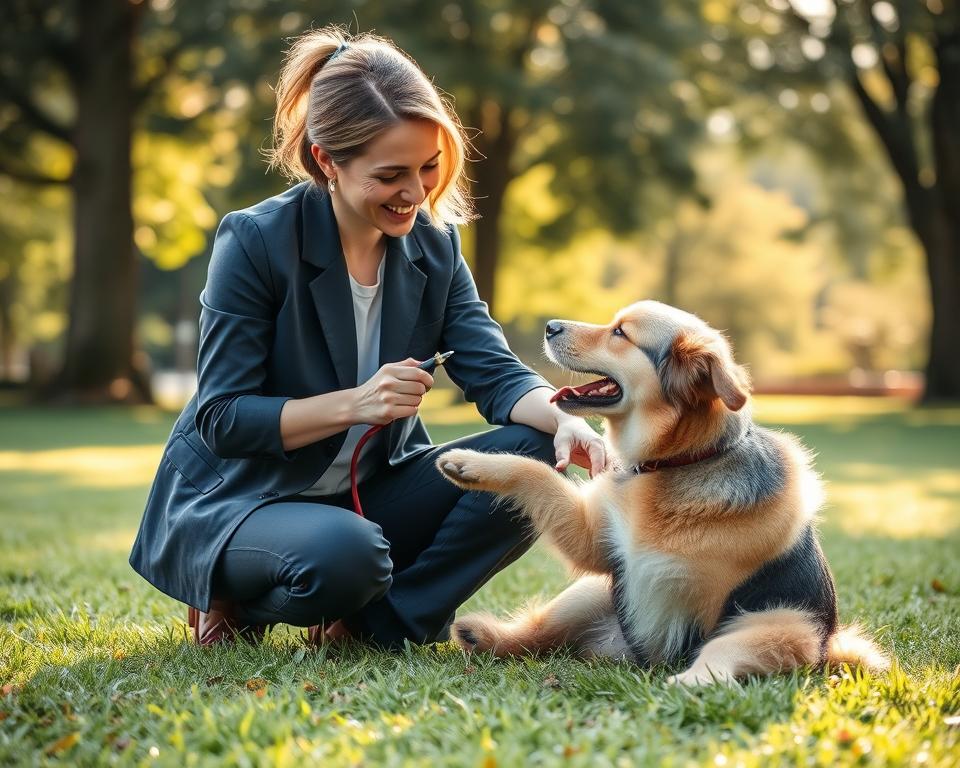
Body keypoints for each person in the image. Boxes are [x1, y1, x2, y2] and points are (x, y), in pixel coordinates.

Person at [128, 26, 607, 649]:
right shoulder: (255, 241)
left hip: (365, 497)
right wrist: (356, 403)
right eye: (390, 175)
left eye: (430, 168)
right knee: (347, 556)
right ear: (326, 159)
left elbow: (492, 368)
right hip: (243, 500)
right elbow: (223, 417)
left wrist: (565, 419)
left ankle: (377, 625)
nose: (415, 192)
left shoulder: (434, 245)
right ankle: (235, 599)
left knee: (532, 459)